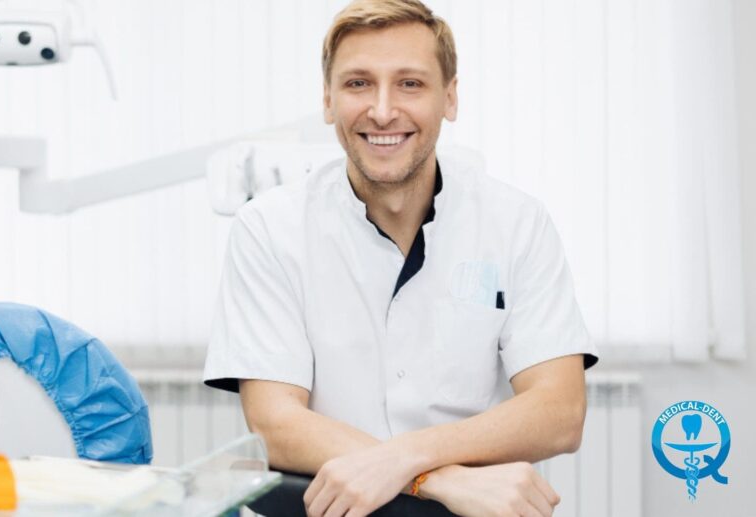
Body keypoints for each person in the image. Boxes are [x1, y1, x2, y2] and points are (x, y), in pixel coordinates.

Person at [203, 1, 599, 515]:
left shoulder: (516, 223)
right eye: (358, 84)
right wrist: (438, 479)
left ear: (450, 97)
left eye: (410, 84)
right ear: (327, 100)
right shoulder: (269, 227)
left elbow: (560, 412)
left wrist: (411, 460)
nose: (383, 110)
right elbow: (277, 425)